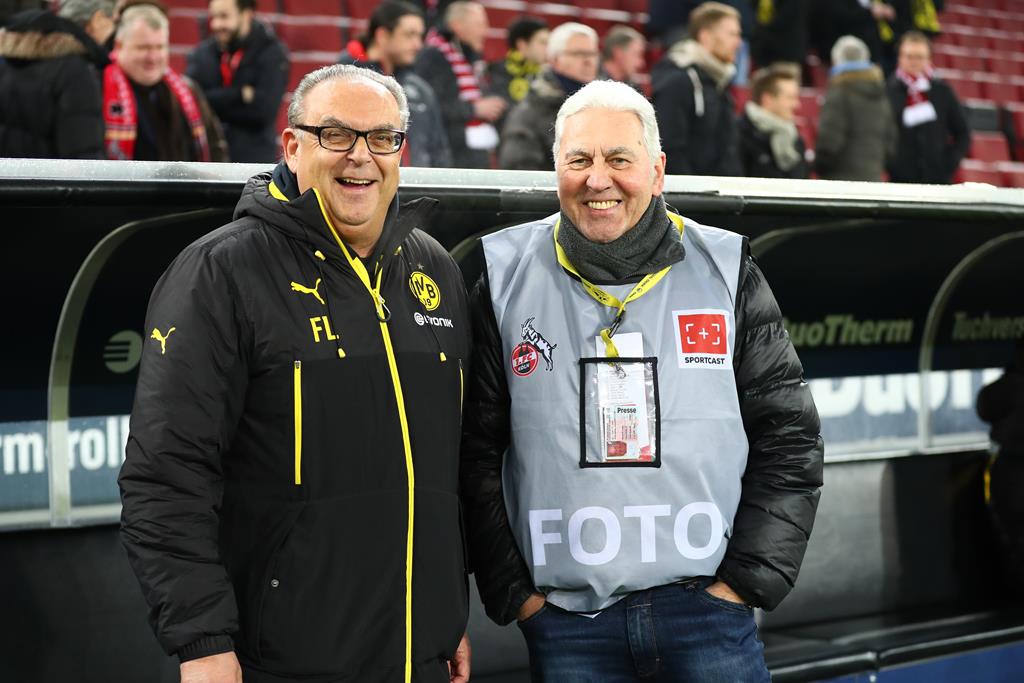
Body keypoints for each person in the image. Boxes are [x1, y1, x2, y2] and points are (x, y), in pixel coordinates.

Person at [119, 63, 472, 683]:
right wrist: (201, 642)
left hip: (421, 653)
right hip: (283, 662)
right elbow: (166, 475)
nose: (360, 157)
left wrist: (443, 613)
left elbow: (444, 471)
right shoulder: (220, 272)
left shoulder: (433, 269)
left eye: (382, 138)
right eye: (336, 135)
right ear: (292, 146)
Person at [461, 79, 823, 681]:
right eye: (578, 159)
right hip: (567, 625)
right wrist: (519, 598)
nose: (596, 179)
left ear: (656, 172)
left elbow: (789, 435)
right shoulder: (502, 276)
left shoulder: (725, 268)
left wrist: (743, 584)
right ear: (556, 167)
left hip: (708, 615)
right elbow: (473, 453)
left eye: (618, 159)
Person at [104, 4, 228, 161]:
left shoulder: (189, 90)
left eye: (160, 47)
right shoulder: (97, 88)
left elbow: (216, 149)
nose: (153, 57)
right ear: (119, 46)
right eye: (144, 48)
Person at [339, 0, 452, 167]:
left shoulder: (420, 89)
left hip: (418, 189)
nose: (418, 45)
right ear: (382, 36)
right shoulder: (341, 83)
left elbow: (438, 152)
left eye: (420, 36)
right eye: (409, 35)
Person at [0, 1, 112, 158]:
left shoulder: (7, 60)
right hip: (48, 180)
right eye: (113, 21)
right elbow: (83, 156)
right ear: (98, 19)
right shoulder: (75, 71)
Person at [186, 0, 288, 163]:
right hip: (207, 162)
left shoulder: (273, 52)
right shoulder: (202, 53)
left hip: (254, 164)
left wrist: (212, 102)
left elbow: (263, 112)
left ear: (246, 15)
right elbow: (191, 103)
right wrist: (239, 94)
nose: (216, 24)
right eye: (214, 17)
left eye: (224, 16)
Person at [651, 2, 743, 176]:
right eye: (732, 34)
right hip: (692, 197)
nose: (738, 42)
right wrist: (696, 199)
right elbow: (670, 148)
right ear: (705, 37)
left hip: (720, 195)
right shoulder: (678, 80)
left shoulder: (719, 83)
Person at [414, 0, 505, 168]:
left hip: (472, 152)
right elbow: (432, 106)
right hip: (451, 157)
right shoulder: (434, 56)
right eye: (479, 24)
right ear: (457, 26)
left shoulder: (469, 55)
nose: (485, 31)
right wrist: (475, 109)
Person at [498, 22, 598, 171]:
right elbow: (522, 179)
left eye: (592, 54)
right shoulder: (529, 113)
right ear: (555, 60)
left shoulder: (606, 105)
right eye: (578, 54)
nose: (589, 61)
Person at [886, 31, 969, 184]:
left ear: (929, 59)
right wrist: (892, 164)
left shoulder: (942, 91)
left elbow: (963, 133)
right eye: (909, 56)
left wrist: (949, 163)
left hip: (939, 180)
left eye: (919, 57)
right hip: (899, 182)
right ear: (900, 57)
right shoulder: (887, 91)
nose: (914, 61)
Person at [814, 35, 896, 181]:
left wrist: (818, 167)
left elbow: (830, 142)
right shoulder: (881, 94)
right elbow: (890, 142)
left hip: (840, 183)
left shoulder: (839, 92)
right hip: (872, 179)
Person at [977, 339, 1024, 593]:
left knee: (1016, 537)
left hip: (1011, 471)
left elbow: (984, 406)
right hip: (1011, 470)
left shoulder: (1009, 388)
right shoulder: (1011, 388)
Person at [738, 64, 809, 179]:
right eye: (790, 98)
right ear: (768, 99)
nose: (797, 105)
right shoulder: (739, 134)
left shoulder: (795, 139)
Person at [486, 15, 547, 113]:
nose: (548, 48)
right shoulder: (498, 72)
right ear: (522, 45)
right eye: (543, 42)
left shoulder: (546, 73)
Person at [599, 25, 645, 92]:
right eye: (637, 54)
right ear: (618, 53)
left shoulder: (634, 88)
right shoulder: (590, 83)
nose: (641, 63)